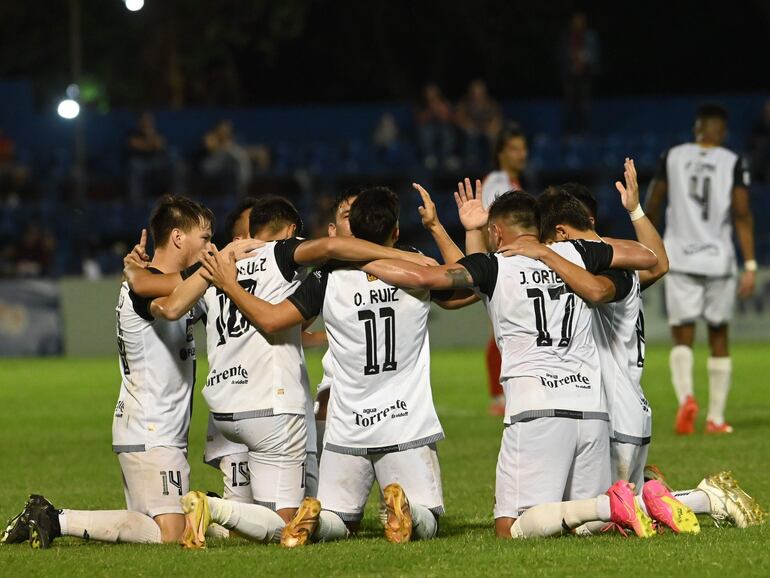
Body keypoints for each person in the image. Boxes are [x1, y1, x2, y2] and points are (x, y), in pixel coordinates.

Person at [338, 185, 662, 539]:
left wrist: (354, 257)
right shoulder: (577, 252)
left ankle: (609, 504)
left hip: (536, 408)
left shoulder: (496, 265)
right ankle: (650, 501)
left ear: (496, 232)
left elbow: (428, 279)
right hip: (591, 410)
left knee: (509, 528)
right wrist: (545, 253)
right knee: (587, 531)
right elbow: (647, 257)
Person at [143, 195, 437, 548]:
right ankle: (213, 509)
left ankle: (222, 513)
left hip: (222, 406)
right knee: (284, 522)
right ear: (292, 231)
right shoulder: (283, 254)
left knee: (272, 508)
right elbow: (328, 249)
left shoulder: (218, 261)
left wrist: (135, 273)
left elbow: (170, 306)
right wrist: (411, 255)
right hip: (274, 402)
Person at [3, 196, 215, 548]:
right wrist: (212, 267)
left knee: (154, 526)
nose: (211, 247)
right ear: (178, 237)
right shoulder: (144, 287)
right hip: (153, 427)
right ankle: (54, 519)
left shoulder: (149, 280)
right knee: (171, 534)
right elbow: (170, 299)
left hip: (149, 424)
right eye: (205, 238)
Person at [645, 103, 756, 435]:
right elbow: (741, 214)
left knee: (683, 335)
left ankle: (686, 400)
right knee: (719, 335)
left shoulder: (673, 156)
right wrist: (750, 264)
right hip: (718, 259)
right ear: (721, 131)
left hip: (679, 257)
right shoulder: (732, 162)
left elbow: (653, 202)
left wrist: (648, 246)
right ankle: (716, 418)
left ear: (697, 128)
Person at [480, 125, 530, 415]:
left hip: (511, 260)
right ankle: (498, 396)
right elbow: (491, 222)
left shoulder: (511, 181)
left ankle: (504, 393)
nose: (521, 154)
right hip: (504, 261)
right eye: (514, 148)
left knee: (506, 327)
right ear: (501, 153)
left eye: (523, 148)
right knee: (500, 329)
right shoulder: (498, 181)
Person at [126, 112, 184, 204]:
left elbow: (161, 144)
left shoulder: (158, 132)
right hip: (141, 163)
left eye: (149, 120)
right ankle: (136, 204)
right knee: (135, 165)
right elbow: (136, 144)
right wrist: (150, 143)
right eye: (144, 120)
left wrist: (150, 139)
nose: (147, 123)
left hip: (158, 163)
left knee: (175, 160)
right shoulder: (132, 133)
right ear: (139, 122)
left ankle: (179, 202)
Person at [559, 12, 600, 136]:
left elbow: (595, 56)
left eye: (580, 23)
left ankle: (585, 133)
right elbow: (561, 56)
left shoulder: (591, 37)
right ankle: (568, 132)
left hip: (585, 78)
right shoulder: (566, 38)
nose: (578, 25)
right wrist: (572, 62)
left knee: (584, 106)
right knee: (569, 106)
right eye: (575, 23)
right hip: (570, 77)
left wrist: (584, 61)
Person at [455, 80, 503, 168]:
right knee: (471, 133)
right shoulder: (465, 104)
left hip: (486, 130)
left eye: (480, 92)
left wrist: (491, 127)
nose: (477, 95)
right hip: (470, 131)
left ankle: (493, 162)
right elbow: (460, 119)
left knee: (493, 136)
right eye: (475, 92)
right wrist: (469, 125)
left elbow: (497, 120)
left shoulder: (490, 104)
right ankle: (471, 162)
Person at [201, 120, 252, 198]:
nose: (224, 132)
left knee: (240, 158)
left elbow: (239, 154)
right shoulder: (211, 138)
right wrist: (222, 147)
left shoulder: (233, 141)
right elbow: (208, 150)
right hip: (210, 165)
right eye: (222, 129)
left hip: (227, 169)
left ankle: (242, 188)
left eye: (227, 130)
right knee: (237, 155)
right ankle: (242, 189)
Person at [415, 83, 457, 170]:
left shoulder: (444, 103)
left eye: (433, 93)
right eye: (429, 93)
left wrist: (439, 110)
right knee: (426, 131)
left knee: (447, 130)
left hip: (442, 127)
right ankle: (429, 157)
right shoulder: (421, 105)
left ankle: (447, 157)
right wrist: (430, 112)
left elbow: (449, 119)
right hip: (428, 128)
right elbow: (419, 121)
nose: (431, 95)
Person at [748, 99, 770, 183]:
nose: (768, 115)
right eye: (767, 112)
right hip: (760, 165)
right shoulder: (758, 128)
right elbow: (752, 146)